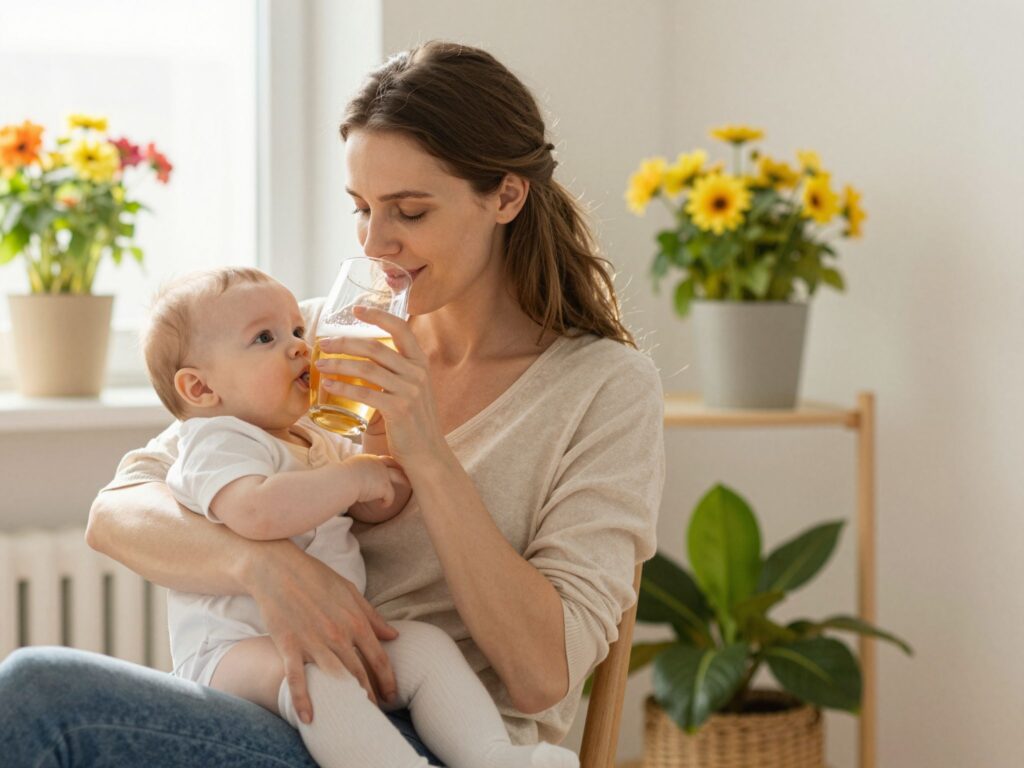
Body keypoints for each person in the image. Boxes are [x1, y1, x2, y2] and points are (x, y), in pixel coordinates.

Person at [0, 40, 665, 767]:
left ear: (505, 196)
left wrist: (426, 452)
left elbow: (543, 677)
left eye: (409, 212)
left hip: (445, 738)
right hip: (292, 706)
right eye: (362, 209)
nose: (377, 244)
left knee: (37, 697)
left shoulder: (602, 389)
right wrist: (263, 569)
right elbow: (119, 514)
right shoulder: (311, 339)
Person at [143, 265, 578, 768]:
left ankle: (493, 757)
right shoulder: (216, 440)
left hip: (333, 638)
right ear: (200, 390)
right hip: (237, 653)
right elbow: (257, 512)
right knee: (316, 678)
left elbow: (376, 504)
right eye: (265, 337)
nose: (299, 347)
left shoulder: (312, 435)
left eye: (298, 331)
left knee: (424, 648)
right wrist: (352, 478)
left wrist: (383, 444)